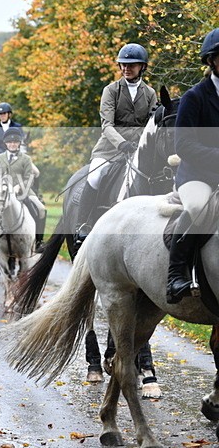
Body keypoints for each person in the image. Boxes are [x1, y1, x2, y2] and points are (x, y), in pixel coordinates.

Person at [73, 43, 157, 249]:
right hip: (111, 147)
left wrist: (141, 144)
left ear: (142, 67)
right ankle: (82, 224)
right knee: (95, 175)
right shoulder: (110, 91)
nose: (126, 69)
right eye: (123, 65)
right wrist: (122, 144)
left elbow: (152, 123)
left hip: (139, 148)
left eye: (132, 65)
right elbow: (107, 125)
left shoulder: (150, 93)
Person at [166, 28, 219, 303]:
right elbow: (183, 145)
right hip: (198, 176)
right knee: (197, 207)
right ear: (211, 60)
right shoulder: (194, 97)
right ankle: (175, 275)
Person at [0, 127, 46, 252]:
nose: (12, 144)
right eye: (10, 142)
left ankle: (38, 241)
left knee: (41, 209)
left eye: (15, 142)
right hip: (2, 192)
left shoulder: (26, 159)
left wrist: (18, 187)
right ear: (5, 143)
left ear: (19, 144)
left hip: (23, 191)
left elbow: (29, 178)